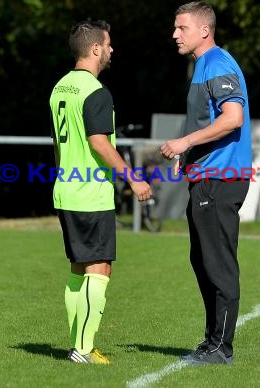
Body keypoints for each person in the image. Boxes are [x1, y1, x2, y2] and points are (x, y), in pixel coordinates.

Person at [49, 19, 152, 365]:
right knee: (99, 268)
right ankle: (83, 348)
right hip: (90, 193)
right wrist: (133, 178)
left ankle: (78, 343)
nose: (111, 49)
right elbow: (98, 142)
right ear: (95, 49)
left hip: (66, 189)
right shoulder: (96, 91)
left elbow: (59, 143)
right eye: (108, 44)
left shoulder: (60, 88)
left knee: (79, 268)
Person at [161, 1, 252, 365]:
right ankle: (212, 341)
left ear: (203, 30)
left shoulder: (218, 63)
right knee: (202, 261)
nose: (175, 34)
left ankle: (221, 347)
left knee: (218, 264)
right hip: (205, 177)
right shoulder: (203, 66)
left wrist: (185, 142)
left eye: (181, 27)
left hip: (220, 178)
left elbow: (233, 118)